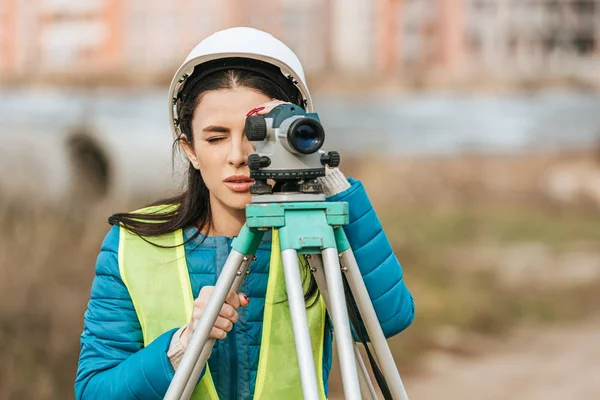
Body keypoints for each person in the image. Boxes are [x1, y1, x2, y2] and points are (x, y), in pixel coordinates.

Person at [75, 27, 414, 400]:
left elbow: (386, 320)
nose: (238, 156)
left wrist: (322, 173)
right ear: (189, 149)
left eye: (256, 135)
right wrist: (183, 345)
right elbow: (95, 392)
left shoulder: (314, 237)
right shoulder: (133, 246)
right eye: (216, 138)